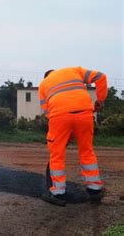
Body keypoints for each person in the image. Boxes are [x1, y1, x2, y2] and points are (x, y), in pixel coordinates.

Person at [39, 67, 107, 206]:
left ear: (46, 77)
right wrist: (100, 101)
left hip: (59, 116)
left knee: (57, 154)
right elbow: (101, 76)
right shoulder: (74, 70)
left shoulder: (43, 85)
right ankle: (95, 190)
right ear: (55, 71)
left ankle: (57, 193)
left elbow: (47, 112)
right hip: (85, 112)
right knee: (86, 151)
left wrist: (63, 133)